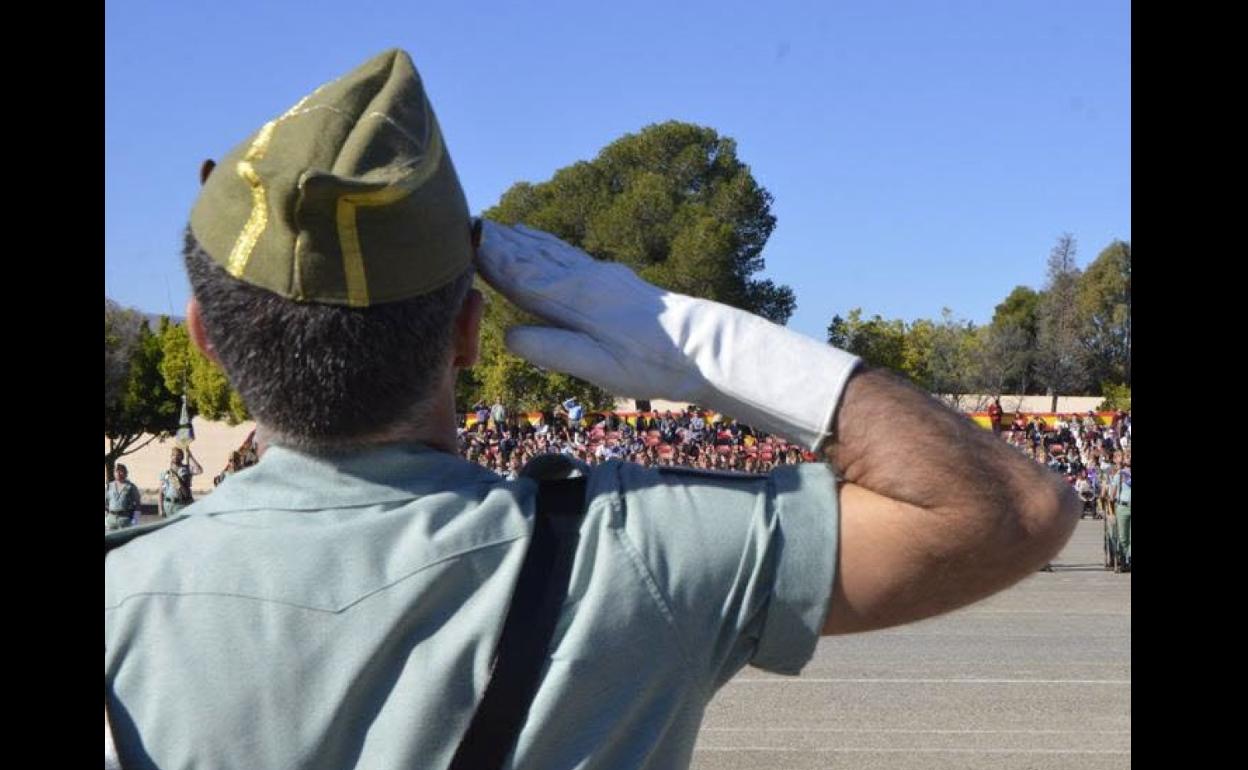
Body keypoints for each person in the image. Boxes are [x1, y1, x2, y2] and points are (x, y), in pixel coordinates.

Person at [104, 50, 1078, 769]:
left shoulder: (122, 603)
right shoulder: (635, 553)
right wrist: (701, 343)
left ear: (205, 334)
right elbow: (1010, 508)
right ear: (466, 331)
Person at [157, 446, 201, 518]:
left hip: (183, 504)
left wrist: (190, 456)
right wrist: (160, 509)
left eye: (178, 455)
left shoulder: (186, 469)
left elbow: (199, 470)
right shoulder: (167, 473)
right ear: (171, 457)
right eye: (173, 455)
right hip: (169, 505)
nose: (175, 457)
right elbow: (161, 492)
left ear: (182, 457)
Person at [104, 464, 142, 531]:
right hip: (111, 519)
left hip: (125, 519)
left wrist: (136, 521)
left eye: (121, 471)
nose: (118, 473)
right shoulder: (109, 486)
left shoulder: (131, 487)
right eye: (116, 471)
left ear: (125, 473)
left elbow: (137, 505)